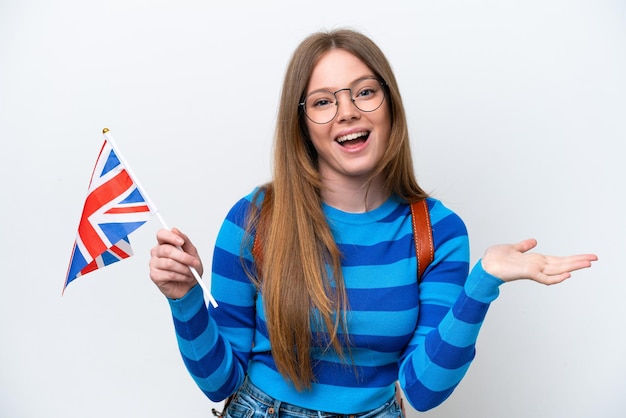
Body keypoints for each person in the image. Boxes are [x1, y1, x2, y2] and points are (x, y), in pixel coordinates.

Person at [149, 29, 597, 417]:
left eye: (364, 92)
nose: (347, 112)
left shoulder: (436, 232)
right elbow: (220, 382)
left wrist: (483, 283)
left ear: (390, 104)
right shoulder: (255, 219)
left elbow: (423, 391)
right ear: (302, 124)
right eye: (323, 101)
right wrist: (184, 298)